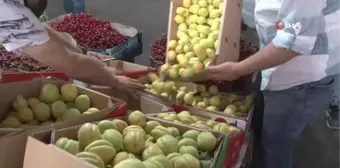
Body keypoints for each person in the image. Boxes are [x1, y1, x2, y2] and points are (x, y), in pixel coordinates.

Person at [206, 0, 340, 168]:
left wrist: (238, 70)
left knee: (276, 148)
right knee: (261, 127)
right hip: (277, 65)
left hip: (300, 78)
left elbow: (292, 45)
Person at [0, 0, 144, 97]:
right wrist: (114, 81)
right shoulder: (8, 10)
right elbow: (67, 61)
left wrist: (84, 56)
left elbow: (40, 30)